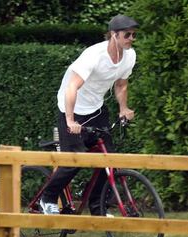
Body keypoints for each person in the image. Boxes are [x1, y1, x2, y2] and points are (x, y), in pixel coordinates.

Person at [40, 14, 139, 215]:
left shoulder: (129, 56)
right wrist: (70, 120)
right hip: (72, 107)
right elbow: (71, 87)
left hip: (96, 108)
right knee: (75, 160)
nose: (131, 38)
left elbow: (121, 84)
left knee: (109, 160)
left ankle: (97, 207)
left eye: (133, 35)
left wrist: (123, 108)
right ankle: (47, 198)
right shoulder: (94, 55)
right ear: (114, 34)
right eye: (127, 34)